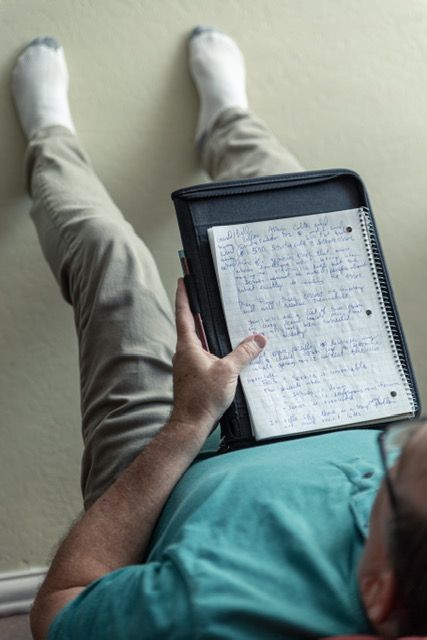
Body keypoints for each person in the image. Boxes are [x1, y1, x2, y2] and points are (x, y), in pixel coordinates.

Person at [11, 27, 427, 640]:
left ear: (379, 591)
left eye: (390, 471)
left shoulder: (203, 613)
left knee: (111, 257)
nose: (375, 469)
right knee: (298, 214)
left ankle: (50, 145)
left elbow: (58, 611)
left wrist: (188, 420)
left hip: (166, 464)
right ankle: (228, 126)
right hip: (328, 404)